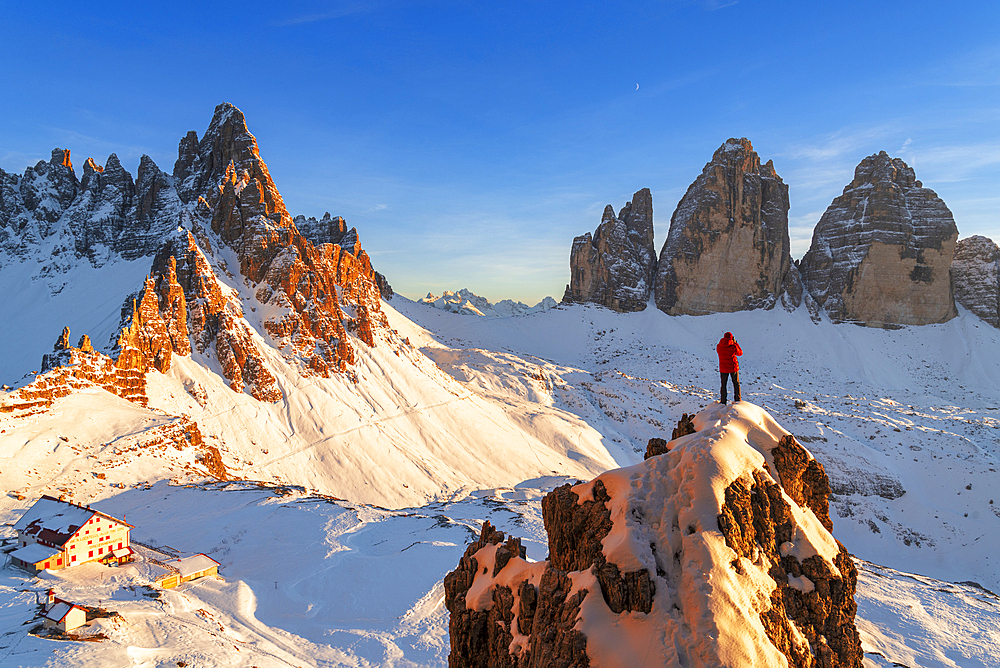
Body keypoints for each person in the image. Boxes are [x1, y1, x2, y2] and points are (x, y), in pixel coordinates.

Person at [716, 332, 742, 404]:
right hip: (733, 368)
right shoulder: (733, 346)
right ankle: (737, 400)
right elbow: (740, 353)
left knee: (723, 385)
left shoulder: (719, 346)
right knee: (736, 384)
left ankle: (723, 401)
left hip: (723, 368)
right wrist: (736, 343)